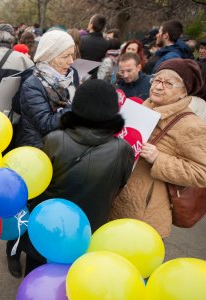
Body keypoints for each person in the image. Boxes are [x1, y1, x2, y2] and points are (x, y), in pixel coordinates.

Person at [14, 79, 135, 276]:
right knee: (75, 280)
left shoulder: (55, 140)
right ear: (113, 110)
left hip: (47, 224)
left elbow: (38, 181)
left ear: (77, 106)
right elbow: (119, 187)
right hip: (88, 231)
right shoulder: (123, 150)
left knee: (38, 276)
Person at [111, 58, 206, 238]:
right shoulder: (140, 108)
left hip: (144, 211)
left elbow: (202, 172)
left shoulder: (191, 125)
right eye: (156, 79)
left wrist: (159, 159)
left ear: (183, 92)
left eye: (168, 83)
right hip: (116, 195)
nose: (158, 86)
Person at [15, 30, 77, 148]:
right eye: (65, 56)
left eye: (72, 55)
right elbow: (46, 125)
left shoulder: (66, 79)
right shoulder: (33, 85)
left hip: (59, 145)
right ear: (49, 57)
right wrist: (77, 106)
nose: (71, 61)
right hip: (37, 150)